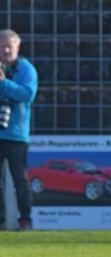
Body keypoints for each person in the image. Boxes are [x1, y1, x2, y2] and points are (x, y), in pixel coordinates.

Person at [0, 29, 38, 231]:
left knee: (20, 181)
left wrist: (4, 84)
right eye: (2, 46)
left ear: (17, 47)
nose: (6, 50)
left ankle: (25, 220)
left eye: (9, 46)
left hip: (16, 135)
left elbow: (27, 94)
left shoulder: (26, 70)